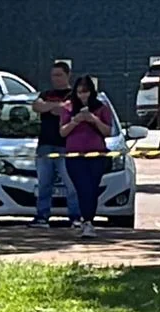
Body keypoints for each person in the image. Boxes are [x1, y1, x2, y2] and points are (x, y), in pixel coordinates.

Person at [58, 75, 114, 240]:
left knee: (92, 188)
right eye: (80, 92)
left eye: (87, 92)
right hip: (74, 156)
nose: (84, 96)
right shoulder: (68, 108)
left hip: (97, 155)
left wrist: (93, 120)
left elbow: (107, 131)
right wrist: (76, 121)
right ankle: (86, 220)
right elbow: (62, 132)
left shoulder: (101, 108)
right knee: (82, 188)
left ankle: (89, 220)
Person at [31, 60, 79, 229]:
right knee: (44, 184)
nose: (55, 79)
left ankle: (75, 217)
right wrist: (54, 106)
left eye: (59, 75)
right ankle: (42, 217)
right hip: (45, 145)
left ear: (68, 75)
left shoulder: (74, 94)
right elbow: (37, 106)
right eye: (53, 75)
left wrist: (53, 108)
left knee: (71, 184)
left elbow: (69, 110)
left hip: (67, 146)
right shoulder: (46, 93)